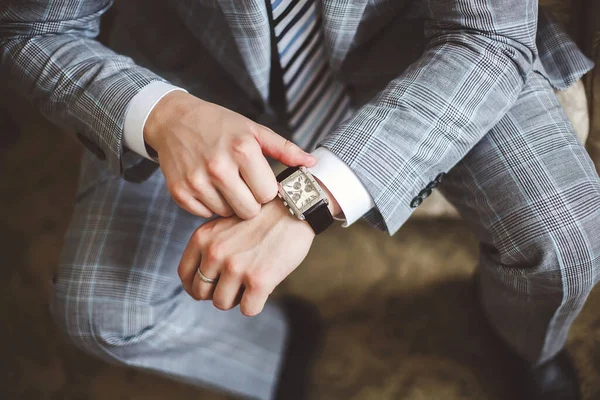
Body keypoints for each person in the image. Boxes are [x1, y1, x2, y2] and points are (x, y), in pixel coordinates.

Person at [1, 0, 599, 399]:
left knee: (569, 234)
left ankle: (518, 340)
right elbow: (31, 29)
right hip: (192, 64)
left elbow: (489, 33)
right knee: (103, 312)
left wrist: (305, 202)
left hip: (425, 46)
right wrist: (161, 113)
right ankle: (280, 353)